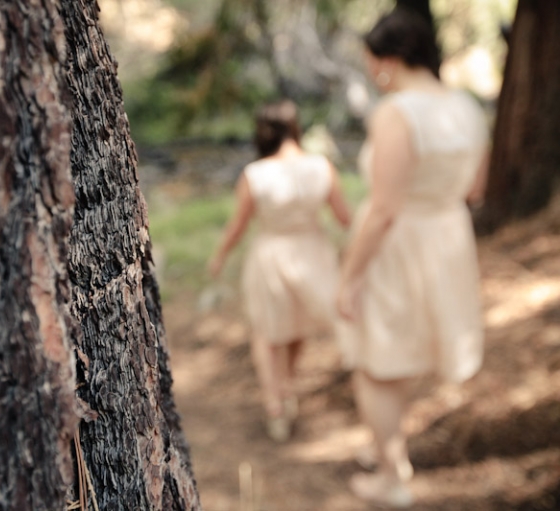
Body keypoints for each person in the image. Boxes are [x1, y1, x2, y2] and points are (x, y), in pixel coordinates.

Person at [336, 7, 490, 508]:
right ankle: (386, 443)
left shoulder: (397, 112)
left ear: (389, 60)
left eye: (371, 61)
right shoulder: (466, 106)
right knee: (412, 345)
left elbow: (384, 209)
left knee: (377, 361)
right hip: (448, 235)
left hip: (398, 243)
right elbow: (476, 188)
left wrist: (349, 277)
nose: (370, 71)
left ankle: (392, 476)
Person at [209, 100, 351, 442]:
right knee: (296, 325)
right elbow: (345, 217)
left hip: (271, 253)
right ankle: (286, 389)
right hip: (313, 253)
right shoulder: (322, 166)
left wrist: (220, 256)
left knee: (268, 332)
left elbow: (238, 225)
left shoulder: (255, 173)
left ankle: (276, 403)